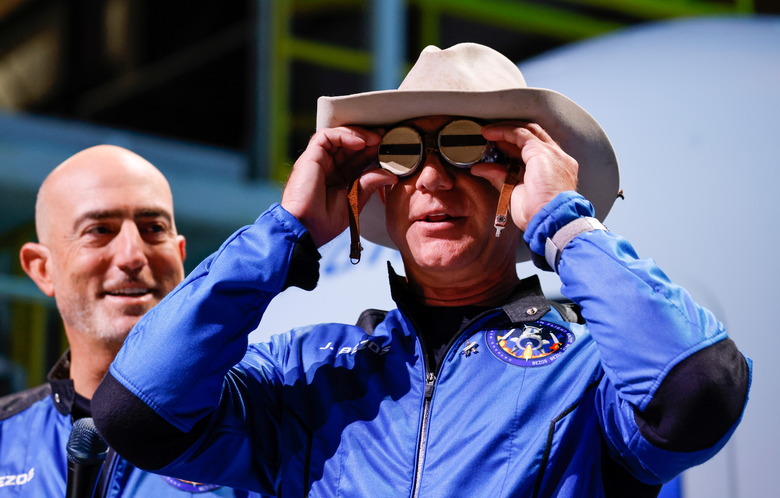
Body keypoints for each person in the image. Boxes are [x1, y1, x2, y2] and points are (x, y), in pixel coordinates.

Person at [92, 43, 751, 497]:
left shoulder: (591, 376)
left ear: (520, 176)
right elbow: (137, 410)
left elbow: (700, 392)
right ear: (382, 189)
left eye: (466, 146)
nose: (432, 178)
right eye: (403, 153)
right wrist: (284, 231)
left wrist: (563, 224)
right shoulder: (305, 376)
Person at [0, 145, 257, 496]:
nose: (133, 256)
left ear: (180, 255)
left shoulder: (265, 428)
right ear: (43, 269)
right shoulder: (7, 439)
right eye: (99, 230)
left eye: (153, 228)